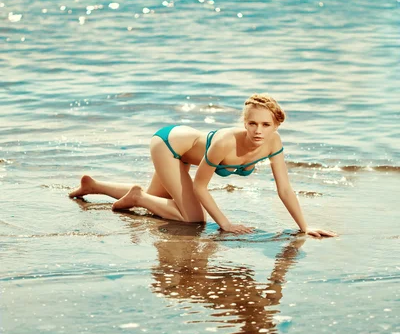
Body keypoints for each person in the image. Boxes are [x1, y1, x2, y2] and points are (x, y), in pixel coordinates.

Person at [69, 93, 336, 238]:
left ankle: (94, 186)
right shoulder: (224, 142)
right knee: (193, 219)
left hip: (185, 151)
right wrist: (225, 224)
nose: (258, 130)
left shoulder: (273, 143)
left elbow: (285, 190)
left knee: (160, 199)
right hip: (169, 145)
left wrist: (305, 227)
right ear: (244, 122)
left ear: (276, 126)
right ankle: (136, 197)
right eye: (252, 123)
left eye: (266, 125)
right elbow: (200, 185)